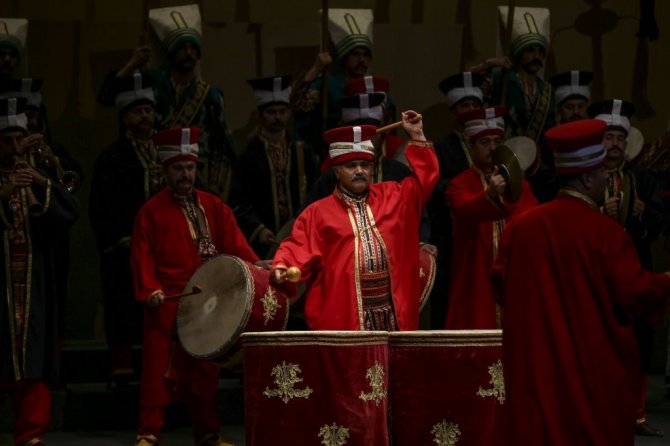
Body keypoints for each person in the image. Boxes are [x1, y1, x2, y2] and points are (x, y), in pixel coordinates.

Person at [491, 118, 670, 446]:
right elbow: (637, 293)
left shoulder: (522, 226)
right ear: (588, 178)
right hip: (589, 375)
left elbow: (500, 286)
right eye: (602, 172)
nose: (607, 178)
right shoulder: (607, 234)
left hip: (536, 373)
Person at [130, 127, 262, 446]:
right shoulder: (150, 212)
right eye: (178, 168)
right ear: (165, 171)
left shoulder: (214, 206)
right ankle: (148, 432)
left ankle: (207, 433)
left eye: (190, 168)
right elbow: (141, 257)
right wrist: (149, 290)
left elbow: (236, 246)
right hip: (167, 303)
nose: (186, 174)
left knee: (205, 374)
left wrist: (257, 265)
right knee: (158, 373)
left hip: (207, 304)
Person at [271, 111, 438, 330]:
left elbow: (425, 180)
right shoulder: (317, 213)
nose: (359, 171)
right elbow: (297, 246)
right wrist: (283, 265)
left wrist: (417, 136)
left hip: (392, 315)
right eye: (351, 166)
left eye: (365, 165)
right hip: (345, 314)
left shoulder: (393, 197)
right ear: (337, 171)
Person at [0, 97, 78, 446]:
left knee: (33, 355)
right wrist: (4, 192)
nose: (15, 147)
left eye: (19, 139)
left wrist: (41, 183)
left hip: (34, 281)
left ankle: (31, 435)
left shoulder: (35, 173)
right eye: (7, 141)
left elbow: (69, 212)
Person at [98, 4, 236, 200]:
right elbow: (107, 97)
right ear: (171, 51)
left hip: (196, 177)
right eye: (182, 47)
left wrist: (215, 184)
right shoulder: (153, 84)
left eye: (193, 48)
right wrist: (132, 64)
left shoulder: (210, 96)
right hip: (156, 174)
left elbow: (221, 145)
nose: (188, 53)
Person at [590, 98, 666, 437]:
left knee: (637, 339)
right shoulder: (587, 176)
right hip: (596, 272)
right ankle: (596, 410)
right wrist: (598, 213)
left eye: (620, 138)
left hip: (633, 267)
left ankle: (635, 414)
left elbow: (660, 222)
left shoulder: (642, 178)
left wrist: (642, 215)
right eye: (609, 137)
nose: (615, 144)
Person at [89, 72, 163, 388]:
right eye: (137, 111)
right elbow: (101, 207)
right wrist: (121, 239)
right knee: (122, 305)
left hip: (163, 247)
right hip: (125, 247)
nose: (144, 116)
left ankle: (159, 366)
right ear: (125, 118)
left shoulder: (166, 152)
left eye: (148, 110)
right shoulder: (112, 157)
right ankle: (122, 368)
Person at [444, 105, 537, 329]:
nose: (493, 148)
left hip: (513, 278)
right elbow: (465, 209)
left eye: (497, 142)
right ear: (471, 146)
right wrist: (489, 194)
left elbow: (531, 221)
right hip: (474, 281)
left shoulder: (520, 185)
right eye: (485, 143)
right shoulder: (459, 184)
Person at [228, 75, 317, 259]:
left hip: (301, 240)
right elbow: (238, 202)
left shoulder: (302, 152)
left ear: (289, 113)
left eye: (282, 111)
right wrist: (258, 229)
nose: (278, 117)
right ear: (259, 115)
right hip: (264, 245)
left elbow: (317, 193)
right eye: (271, 112)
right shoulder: (248, 156)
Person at [291, 9, 395, 159]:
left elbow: (389, 123)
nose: (362, 60)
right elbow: (298, 104)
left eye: (365, 55)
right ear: (345, 57)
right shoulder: (329, 84)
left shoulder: (375, 87)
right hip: (335, 152)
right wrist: (316, 69)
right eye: (355, 54)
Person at [425, 71, 484, 328]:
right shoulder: (441, 148)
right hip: (449, 236)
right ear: (453, 111)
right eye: (464, 106)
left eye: (474, 105)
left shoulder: (490, 145)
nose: (470, 111)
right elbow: (433, 188)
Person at [471, 7, 554, 143]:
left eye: (540, 52)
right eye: (530, 51)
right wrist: (489, 63)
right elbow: (468, 82)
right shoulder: (502, 78)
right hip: (504, 149)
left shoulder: (546, 90)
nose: (536, 56)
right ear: (519, 53)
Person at [527, 70, 594, 202]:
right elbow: (545, 181)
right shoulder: (547, 142)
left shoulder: (595, 139)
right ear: (559, 111)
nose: (576, 112)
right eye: (569, 107)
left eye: (580, 106)